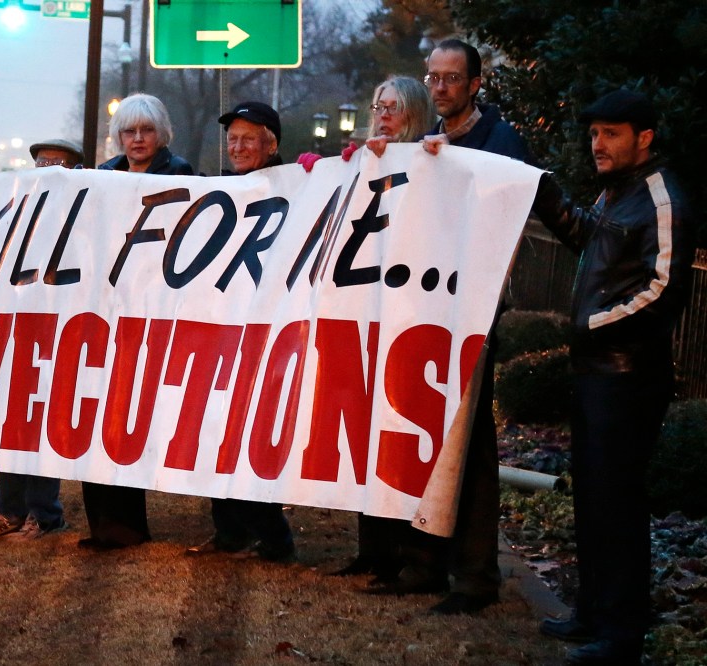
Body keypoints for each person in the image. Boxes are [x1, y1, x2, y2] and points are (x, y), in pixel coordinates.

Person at [365, 40, 532, 615]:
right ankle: (424, 562)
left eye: (452, 78)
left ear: (475, 83)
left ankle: (475, 577)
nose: (440, 87)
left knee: (473, 452)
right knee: (423, 440)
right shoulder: (430, 142)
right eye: (433, 77)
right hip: (423, 312)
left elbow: (503, 211)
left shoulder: (498, 140)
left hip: (471, 314)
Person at [531, 89, 695, 665]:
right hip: (599, 373)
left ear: (644, 137)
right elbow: (586, 238)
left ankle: (620, 636)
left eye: (611, 134)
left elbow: (664, 288)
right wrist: (543, 193)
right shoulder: (617, 192)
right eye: (594, 133)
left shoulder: (661, 197)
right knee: (593, 499)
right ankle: (594, 614)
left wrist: (590, 326)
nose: (597, 144)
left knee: (617, 504)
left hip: (629, 379)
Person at [301, 77, 438, 578]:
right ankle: (373, 550)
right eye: (377, 105)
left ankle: (407, 556)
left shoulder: (433, 160)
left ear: (416, 115)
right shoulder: (365, 159)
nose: (382, 115)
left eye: (393, 108)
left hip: (409, 317)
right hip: (364, 314)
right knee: (366, 433)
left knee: (399, 432)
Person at [78, 94, 193, 551]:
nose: (138, 139)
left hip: (151, 311)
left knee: (130, 415)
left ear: (161, 133)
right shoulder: (103, 177)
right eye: (130, 131)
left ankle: (129, 524)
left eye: (146, 130)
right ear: (119, 136)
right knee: (97, 415)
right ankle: (102, 524)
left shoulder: (180, 174)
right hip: (104, 311)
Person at [185, 101, 296, 563]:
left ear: (271, 144)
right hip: (222, 330)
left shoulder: (295, 185)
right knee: (218, 432)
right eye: (233, 139)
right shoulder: (222, 190)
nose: (239, 146)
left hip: (266, 332)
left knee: (253, 435)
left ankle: (274, 540)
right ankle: (229, 531)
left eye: (250, 139)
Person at [0, 140, 80, 545]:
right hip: (19, 331)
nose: (46, 169)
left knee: (45, 421)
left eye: (57, 164)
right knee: (14, 422)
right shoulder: (18, 207)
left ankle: (45, 515)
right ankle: (8, 510)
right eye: (40, 163)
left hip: (63, 330)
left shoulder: (82, 209)